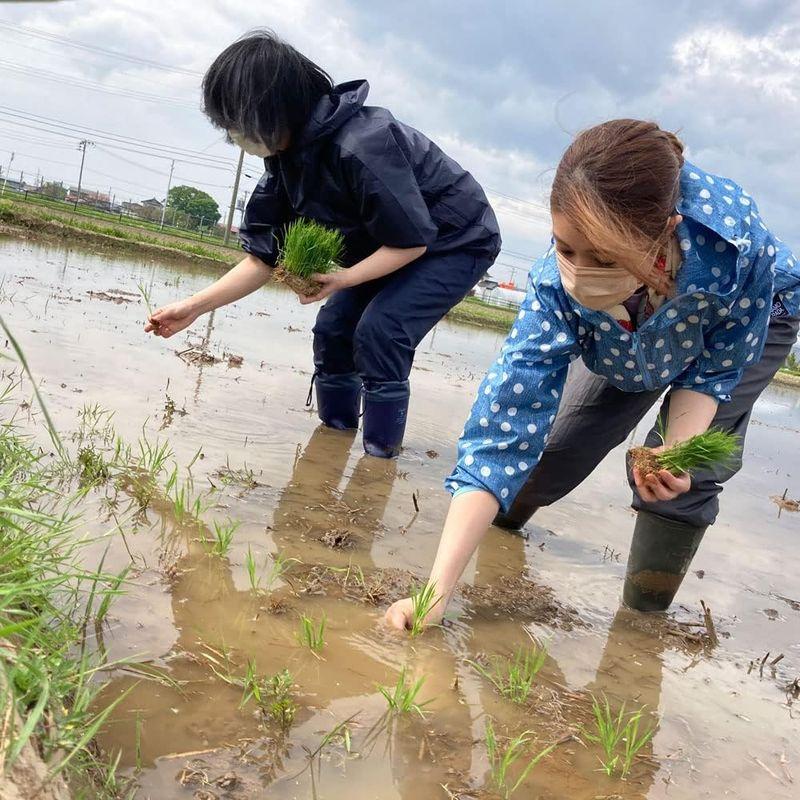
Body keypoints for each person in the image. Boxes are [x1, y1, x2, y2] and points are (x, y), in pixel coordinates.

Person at [385, 119, 800, 627]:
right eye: (565, 248)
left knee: (678, 482)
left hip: (755, 314)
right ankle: (501, 522)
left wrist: (677, 447)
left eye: (603, 257)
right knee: (553, 451)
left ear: (664, 232)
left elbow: (715, 370)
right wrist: (435, 595)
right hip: (627, 327)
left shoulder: (735, 249)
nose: (579, 271)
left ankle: (641, 623)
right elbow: (502, 431)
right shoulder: (554, 288)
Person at [144, 30, 500, 459]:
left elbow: (411, 240)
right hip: (387, 247)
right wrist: (193, 308)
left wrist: (345, 277)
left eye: (236, 124)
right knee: (333, 331)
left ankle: (379, 458)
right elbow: (262, 257)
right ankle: (332, 443)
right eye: (227, 127)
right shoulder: (283, 165)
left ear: (273, 106)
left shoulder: (361, 146)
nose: (233, 136)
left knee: (381, 330)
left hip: (455, 240)